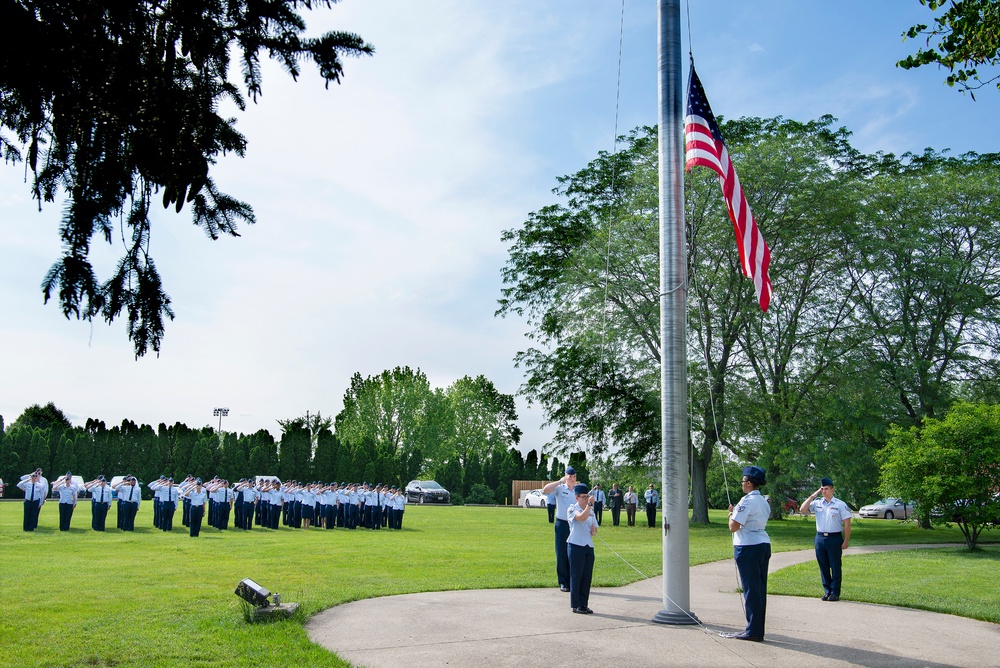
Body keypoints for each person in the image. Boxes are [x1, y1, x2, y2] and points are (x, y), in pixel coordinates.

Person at [720, 466, 771, 642]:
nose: (742, 484)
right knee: (759, 589)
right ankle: (757, 627)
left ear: (749, 483)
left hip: (748, 546)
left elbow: (733, 527)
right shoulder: (763, 501)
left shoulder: (747, 501)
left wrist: (731, 515)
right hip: (763, 543)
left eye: (743, 481)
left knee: (750, 590)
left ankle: (754, 630)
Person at [799, 477, 852, 601]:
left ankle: (835, 592)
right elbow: (802, 509)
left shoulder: (840, 504)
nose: (824, 491)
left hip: (834, 537)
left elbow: (847, 524)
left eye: (826, 489)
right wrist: (813, 496)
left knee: (835, 566)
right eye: (822, 489)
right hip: (820, 538)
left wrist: (846, 540)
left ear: (832, 489)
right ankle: (827, 591)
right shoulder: (817, 503)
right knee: (823, 566)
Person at [541, 466, 578, 592]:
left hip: (575, 524)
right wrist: (560, 481)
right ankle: (563, 581)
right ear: (566, 476)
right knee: (561, 553)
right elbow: (545, 490)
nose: (572, 479)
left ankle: (573, 580)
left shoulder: (578, 490)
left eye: (574, 476)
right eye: (570, 476)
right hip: (562, 523)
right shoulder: (560, 488)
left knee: (573, 553)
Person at [567, 483, 598, 614]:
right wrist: (590, 506)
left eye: (587, 497)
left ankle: (584, 604)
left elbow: (595, 528)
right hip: (575, 545)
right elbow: (581, 517)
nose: (586, 499)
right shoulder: (571, 509)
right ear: (577, 498)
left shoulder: (590, 510)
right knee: (576, 575)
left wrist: (593, 530)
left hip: (588, 546)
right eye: (583, 497)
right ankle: (576, 604)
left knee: (587, 576)